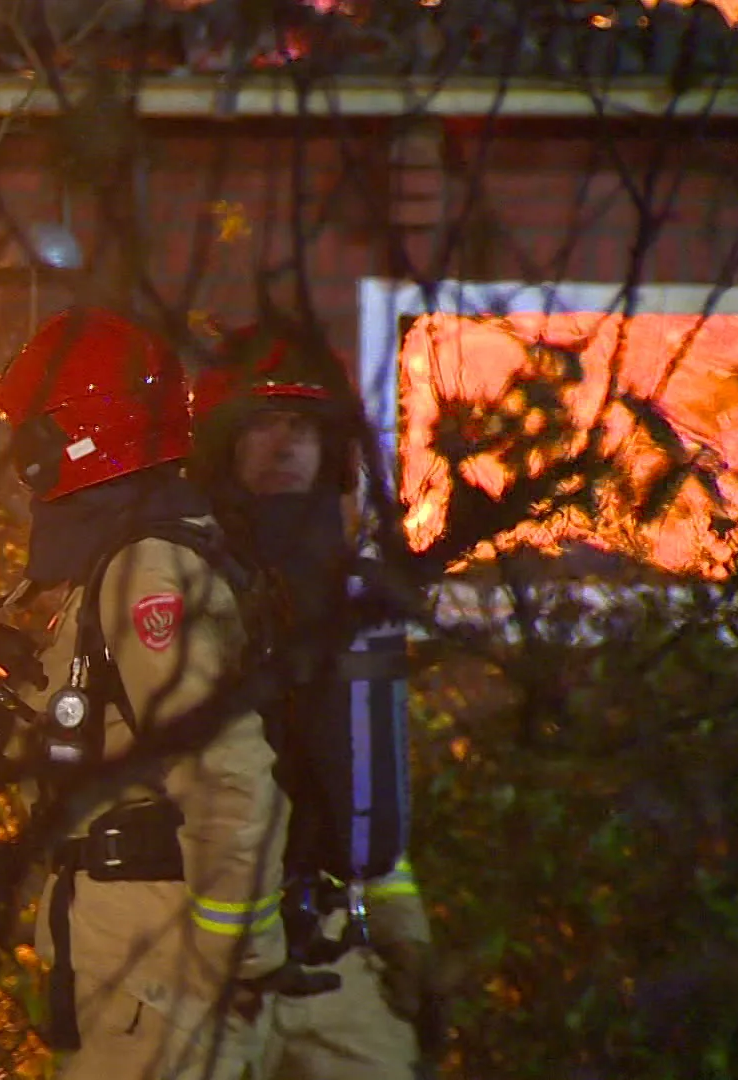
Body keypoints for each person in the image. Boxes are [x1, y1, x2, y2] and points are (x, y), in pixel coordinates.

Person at [0, 307, 308, 1080]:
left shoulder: (145, 574)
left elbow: (228, 777)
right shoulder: (119, 561)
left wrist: (229, 961)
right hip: (135, 959)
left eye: (32, 431)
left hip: (161, 968)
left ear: (73, 437)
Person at [187, 318, 450, 1079]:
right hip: (203, 963)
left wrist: (406, 935)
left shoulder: (353, 603)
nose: (285, 444)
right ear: (224, 444)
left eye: (302, 424)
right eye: (264, 422)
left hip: (337, 952)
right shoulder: (177, 589)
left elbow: (368, 788)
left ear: (333, 447)